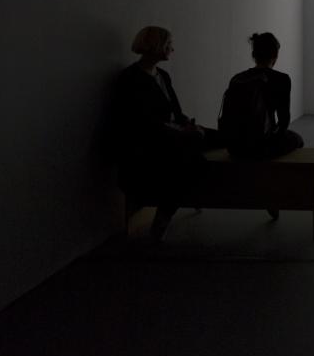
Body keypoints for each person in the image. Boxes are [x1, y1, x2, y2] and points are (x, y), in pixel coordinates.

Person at [113, 26, 222, 241]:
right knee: (192, 159)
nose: (172, 49)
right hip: (152, 141)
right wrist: (183, 131)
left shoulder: (162, 76)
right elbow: (143, 124)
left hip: (173, 133)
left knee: (220, 137)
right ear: (157, 46)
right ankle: (164, 215)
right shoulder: (131, 79)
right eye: (169, 44)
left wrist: (188, 125)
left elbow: (175, 112)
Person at [221, 32, 304, 160]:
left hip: (235, 147)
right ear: (275, 55)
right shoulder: (281, 79)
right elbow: (284, 121)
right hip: (261, 147)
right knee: (298, 139)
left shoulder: (237, 79)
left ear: (254, 55)